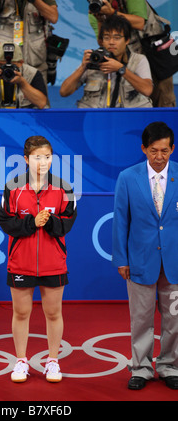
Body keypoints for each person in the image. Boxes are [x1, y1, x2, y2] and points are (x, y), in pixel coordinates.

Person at [0, 136, 77, 383]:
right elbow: (5, 221)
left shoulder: (65, 188)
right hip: (21, 261)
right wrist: (32, 223)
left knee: (53, 312)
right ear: (26, 159)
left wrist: (50, 222)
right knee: (21, 312)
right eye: (37, 158)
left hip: (54, 262)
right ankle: (21, 360)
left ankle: (52, 360)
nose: (42, 163)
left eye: (47, 157)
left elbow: (68, 222)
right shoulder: (12, 187)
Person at [112, 121, 178, 390]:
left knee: (173, 319)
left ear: (172, 149)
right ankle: (141, 367)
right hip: (139, 260)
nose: (159, 156)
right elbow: (120, 221)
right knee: (141, 318)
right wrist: (121, 259)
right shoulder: (127, 178)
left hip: (174, 261)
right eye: (153, 150)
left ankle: (169, 365)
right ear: (143, 149)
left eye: (164, 150)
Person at [83, 0, 176, 107]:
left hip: (155, 53)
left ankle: (166, 127)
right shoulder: (94, 11)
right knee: (135, 99)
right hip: (131, 59)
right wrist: (100, 20)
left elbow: (140, 23)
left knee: (163, 97)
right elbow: (102, 42)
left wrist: (112, 13)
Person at [60, 14, 153, 108]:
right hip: (96, 118)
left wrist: (121, 69)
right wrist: (83, 67)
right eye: (107, 38)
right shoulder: (94, 59)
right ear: (102, 41)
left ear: (127, 40)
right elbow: (64, 92)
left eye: (117, 38)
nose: (111, 42)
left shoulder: (138, 60)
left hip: (127, 118)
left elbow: (147, 90)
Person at [0, 41, 47, 109]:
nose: (6, 68)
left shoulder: (32, 74)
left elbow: (41, 104)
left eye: (12, 65)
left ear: (21, 62)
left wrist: (23, 83)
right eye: (1, 65)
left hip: (25, 120)